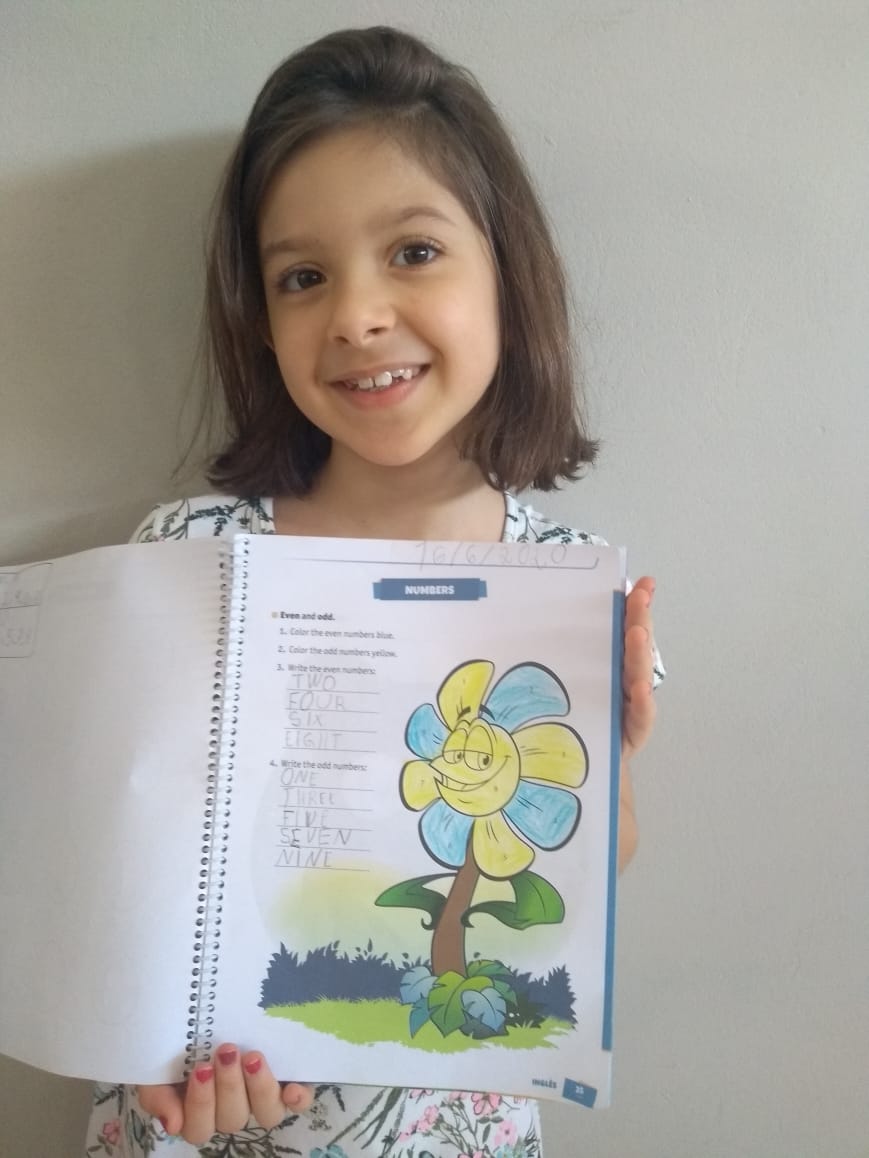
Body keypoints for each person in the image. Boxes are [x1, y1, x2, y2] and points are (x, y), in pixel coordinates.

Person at [83, 25, 663, 1158]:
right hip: (199, 1114)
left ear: (506, 275)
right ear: (261, 322)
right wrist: (150, 1044)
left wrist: (614, 766)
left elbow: (588, 866)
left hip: (453, 1126)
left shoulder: (571, 579)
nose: (354, 315)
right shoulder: (188, 556)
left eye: (413, 251)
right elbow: (120, 861)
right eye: (302, 277)